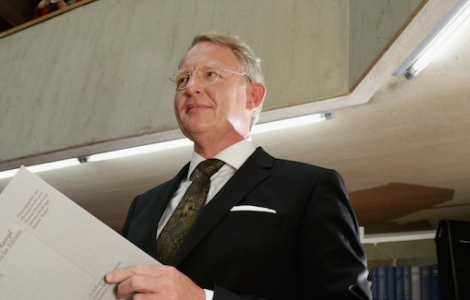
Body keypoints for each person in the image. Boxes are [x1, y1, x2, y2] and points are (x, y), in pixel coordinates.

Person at [105, 32, 372, 300]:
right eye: (183, 79)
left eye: (211, 74)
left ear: (253, 96)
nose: (190, 87)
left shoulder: (311, 188)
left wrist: (204, 299)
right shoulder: (143, 205)